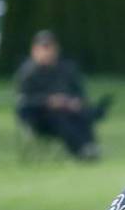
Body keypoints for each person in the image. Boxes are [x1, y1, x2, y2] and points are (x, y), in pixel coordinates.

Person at [14, 30, 110, 160]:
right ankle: (81, 150)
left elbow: (79, 92)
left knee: (80, 112)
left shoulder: (67, 69)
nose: (47, 52)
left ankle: (90, 146)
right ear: (34, 50)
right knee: (61, 116)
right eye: (43, 48)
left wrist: (75, 101)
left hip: (70, 111)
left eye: (50, 48)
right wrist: (48, 101)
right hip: (39, 118)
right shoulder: (28, 73)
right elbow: (24, 101)